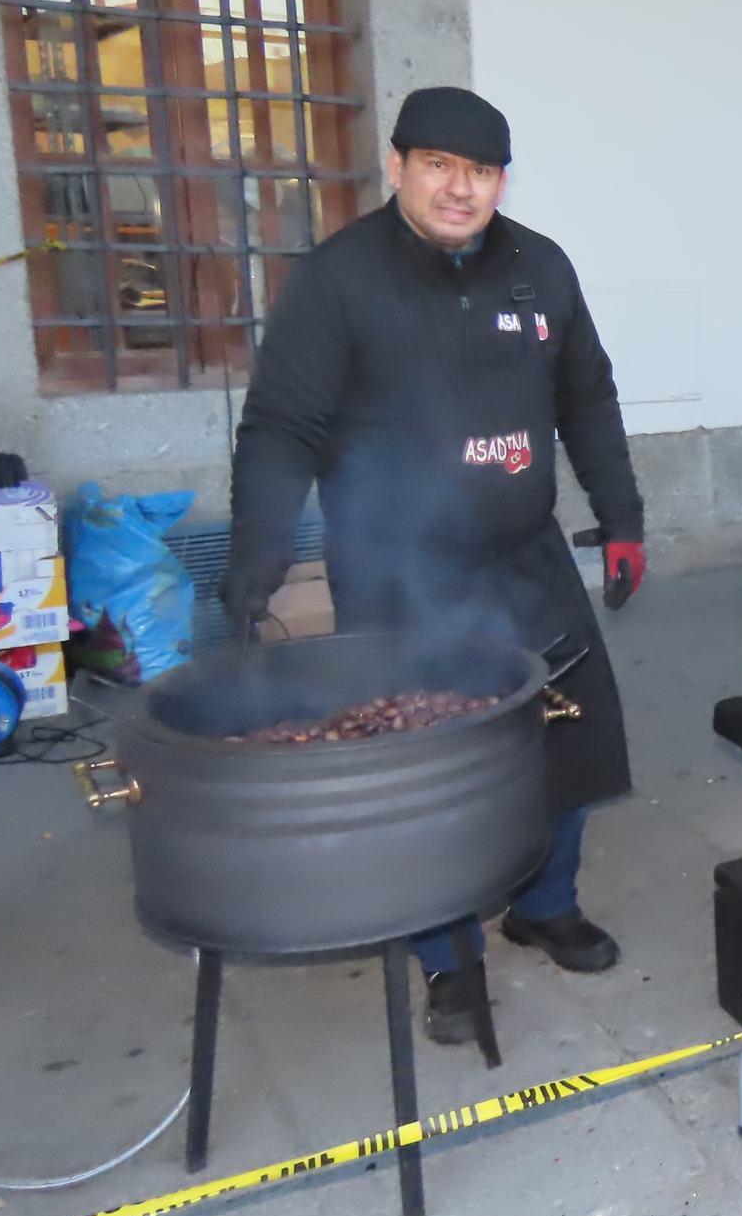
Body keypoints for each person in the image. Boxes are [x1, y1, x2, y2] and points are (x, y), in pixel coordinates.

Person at [221, 86, 648, 1046]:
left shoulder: (542, 268)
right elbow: (284, 425)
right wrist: (261, 545)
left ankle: (546, 902)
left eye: (482, 170)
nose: (461, 188)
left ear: (504, 178)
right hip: (394, 566)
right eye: (440, 166)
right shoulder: (339, 279)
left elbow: (588, 398)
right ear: (400, 165)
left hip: (524, 556)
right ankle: (447, 962)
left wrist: (622, 518)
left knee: (566, 736)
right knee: (424, 766)